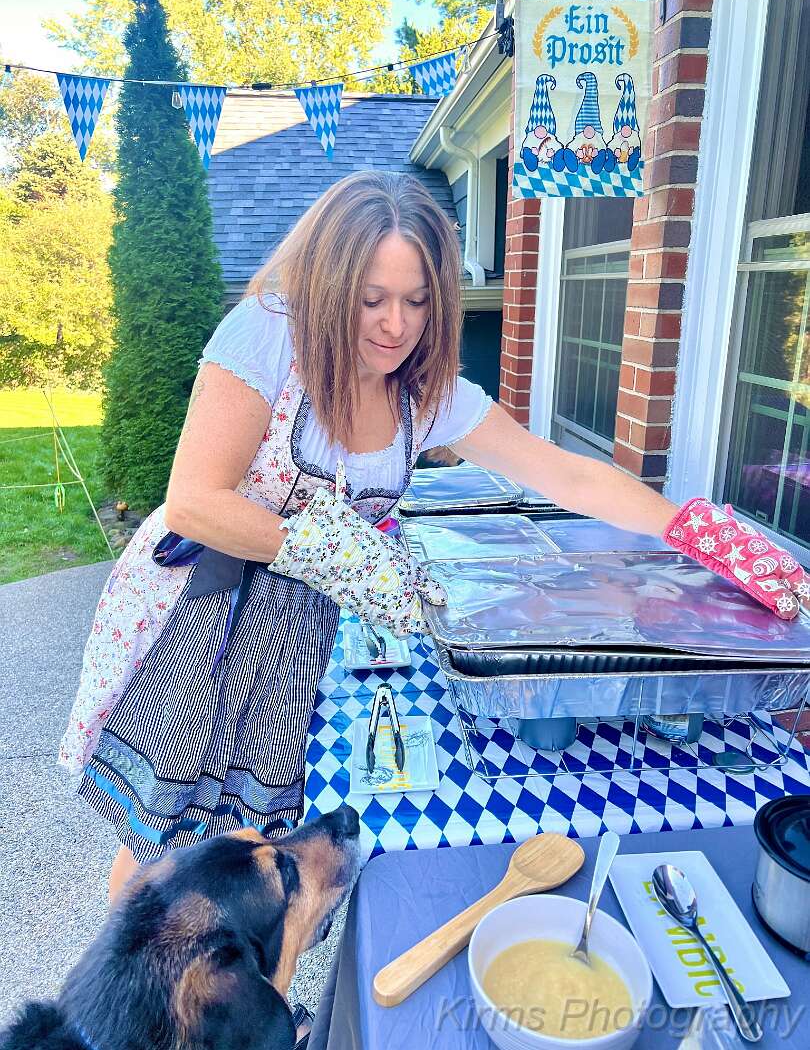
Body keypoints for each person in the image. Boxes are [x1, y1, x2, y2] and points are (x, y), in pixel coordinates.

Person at [59, 170, 808, 905]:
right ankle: (121, 982)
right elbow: (194, 502)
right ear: (326, 286)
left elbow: (564, 473)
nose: (396, 324)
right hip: (206, 611)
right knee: (164, 840)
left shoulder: (424, 389)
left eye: (417, 300)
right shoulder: (268, 335)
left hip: (295, 626)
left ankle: (224, 975)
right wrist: (333, 550)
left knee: (252, 844)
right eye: (372, 299)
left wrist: (694, 529)